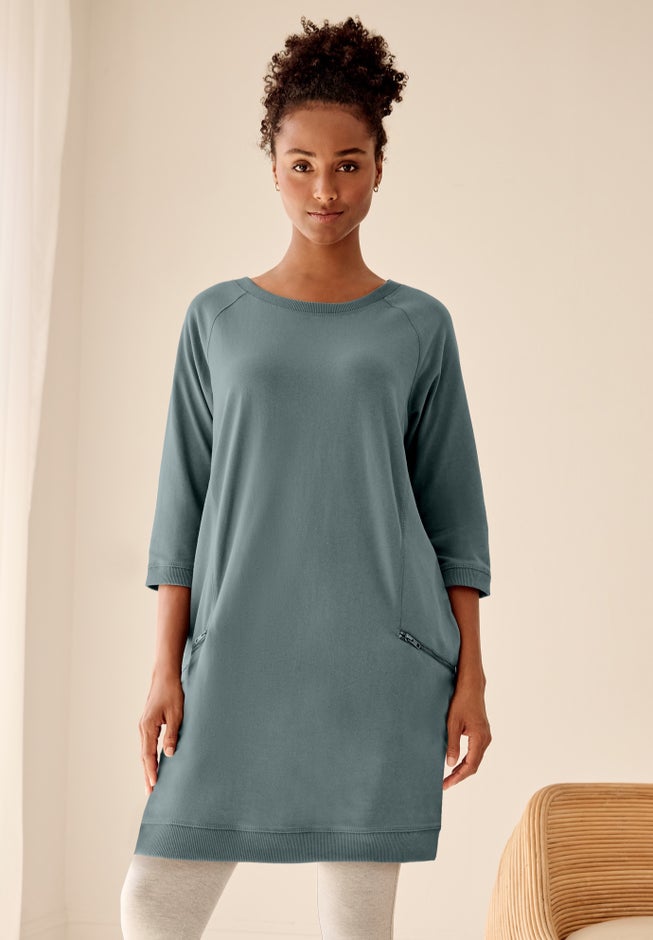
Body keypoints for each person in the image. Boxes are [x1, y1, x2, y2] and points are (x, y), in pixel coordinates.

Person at [120, 14, 492, 939]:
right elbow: (181, 505)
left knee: (355, 927)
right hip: (235, 651)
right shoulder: (216, 319)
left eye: (348, 164)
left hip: (379, 659)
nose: (325, 189)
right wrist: (165, 666)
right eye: (302, 164)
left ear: (378, 166)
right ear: (273, 166)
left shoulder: (418, 325)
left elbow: (453, 519)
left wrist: (471, 679)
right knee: (153, 903)